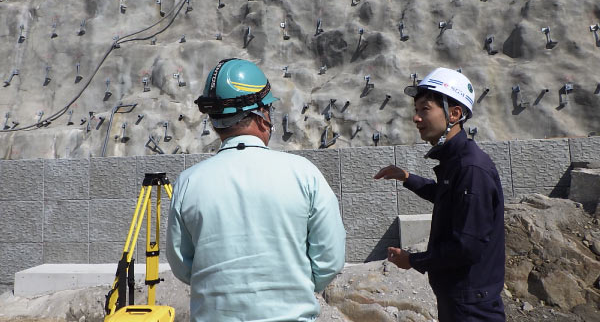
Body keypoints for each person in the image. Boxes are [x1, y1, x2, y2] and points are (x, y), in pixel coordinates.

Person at [166, 58, 346, 322]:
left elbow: (182, 265)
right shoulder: (304, 174)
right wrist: (292, 287)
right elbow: (330, 259)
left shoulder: (188, 182)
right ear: (262, 114)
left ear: (214, 121)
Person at [374, 67, 505, 321]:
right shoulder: (457, 161)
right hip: (461, 299)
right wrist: (407, 177)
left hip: (471, 308)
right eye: (416, 110)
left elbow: (466, 248)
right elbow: (448, 198)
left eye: (425, 109)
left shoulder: (471, 168)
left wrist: (413, 260)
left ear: (454, 114)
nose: (416, 118)